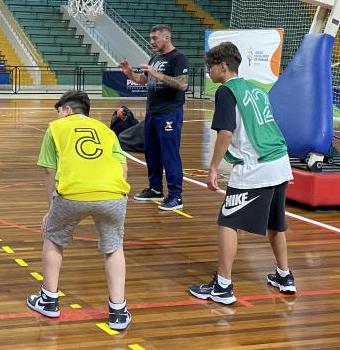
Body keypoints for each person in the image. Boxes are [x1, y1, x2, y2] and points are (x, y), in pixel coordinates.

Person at [188, 42, 295, 305]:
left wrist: (213, 167)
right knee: (275, 223)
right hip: (280, 162)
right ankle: (285, 276)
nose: (208, 72)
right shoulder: (256, 90)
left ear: (223, 66)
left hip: (256, 165)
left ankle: (223, 286)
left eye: (210, 67)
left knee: (227, 221)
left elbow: (225, 132)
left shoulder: (226, 92)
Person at [26, 90, 132, 330]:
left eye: (59, 111)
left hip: (72, 193)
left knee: (54, 239)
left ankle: (49, 300)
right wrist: (118, 195)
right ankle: (118, 311)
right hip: (113, 193)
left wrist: (51, 208)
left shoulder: (55, 128)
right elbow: (123, 167)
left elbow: (48, 171)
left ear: (67, 110)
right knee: (114, 247)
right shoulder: (106, 131)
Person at [120, 24, 189, 211]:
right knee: (152, 153)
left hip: (169, 113)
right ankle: (155, 189)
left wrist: (156, 74)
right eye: (150, 38)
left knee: (170, 154)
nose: (151, 42)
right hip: (152, 113)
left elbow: (182, 85)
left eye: (154, 38)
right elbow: (144, 80)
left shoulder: (178, 58)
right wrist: (129, 74)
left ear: (166, 38)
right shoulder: (156, 57)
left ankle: (176, 196)